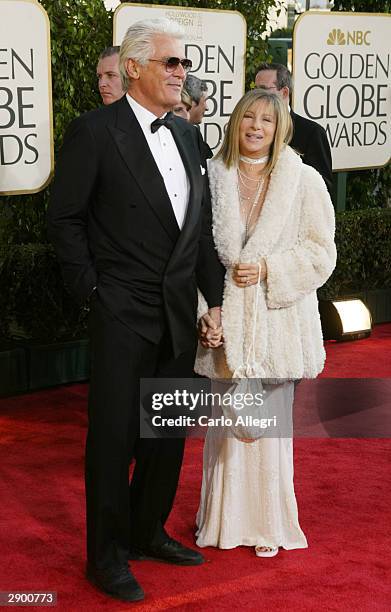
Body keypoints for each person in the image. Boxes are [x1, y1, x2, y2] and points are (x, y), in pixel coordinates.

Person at [48, 18, 224, 603]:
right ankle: (105, 557)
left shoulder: (187, 136)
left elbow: (198, 233)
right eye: (172, 63)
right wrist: (92, 293)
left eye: (185, 63)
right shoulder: (94, 132)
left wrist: (215, 298)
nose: (182, 73)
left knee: (167, 434)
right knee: (114, 439)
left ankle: (148, 532)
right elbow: (66, 219)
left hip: (179, 315)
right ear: (134, 68)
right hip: (121, 310)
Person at [195, 89, 336, 557]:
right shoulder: (210, 176)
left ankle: (269, 527)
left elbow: (322, 252)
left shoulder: (304, 180)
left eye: (267, 121)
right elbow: (193, 255)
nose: (256, 126)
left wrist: (271, 269)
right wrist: (205, 311)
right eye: (248, 118)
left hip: (277, 324)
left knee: (268, 430)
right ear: (235, 123)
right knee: (226, 431)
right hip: (227, 324)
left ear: (280, 130)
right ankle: (222, 525)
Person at [255, 62, 333, 194]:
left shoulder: (311, 132)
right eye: (255, 90)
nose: (256, 96)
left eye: (263, 90)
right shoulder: (251, 129)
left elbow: (323, 187)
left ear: (284, 92)